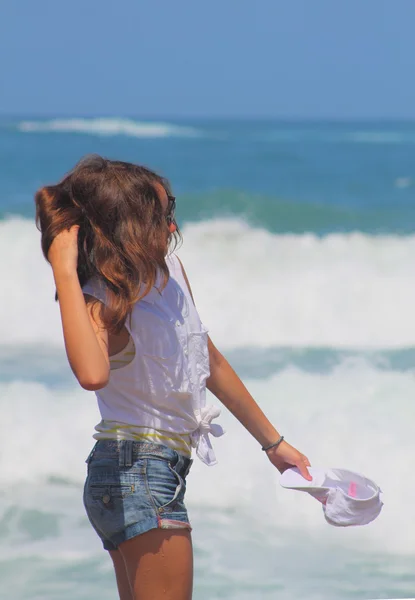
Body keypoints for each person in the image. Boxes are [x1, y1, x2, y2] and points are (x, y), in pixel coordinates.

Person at [35, 155, 311, 600]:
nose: (172, 227)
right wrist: (64, 271)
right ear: (127, 226)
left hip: (148, 472)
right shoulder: (101, 297)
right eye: (162, 217)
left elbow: (208, 360)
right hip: (135, 472)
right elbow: (92, 373)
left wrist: (274, 445)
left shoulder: (171, 274)